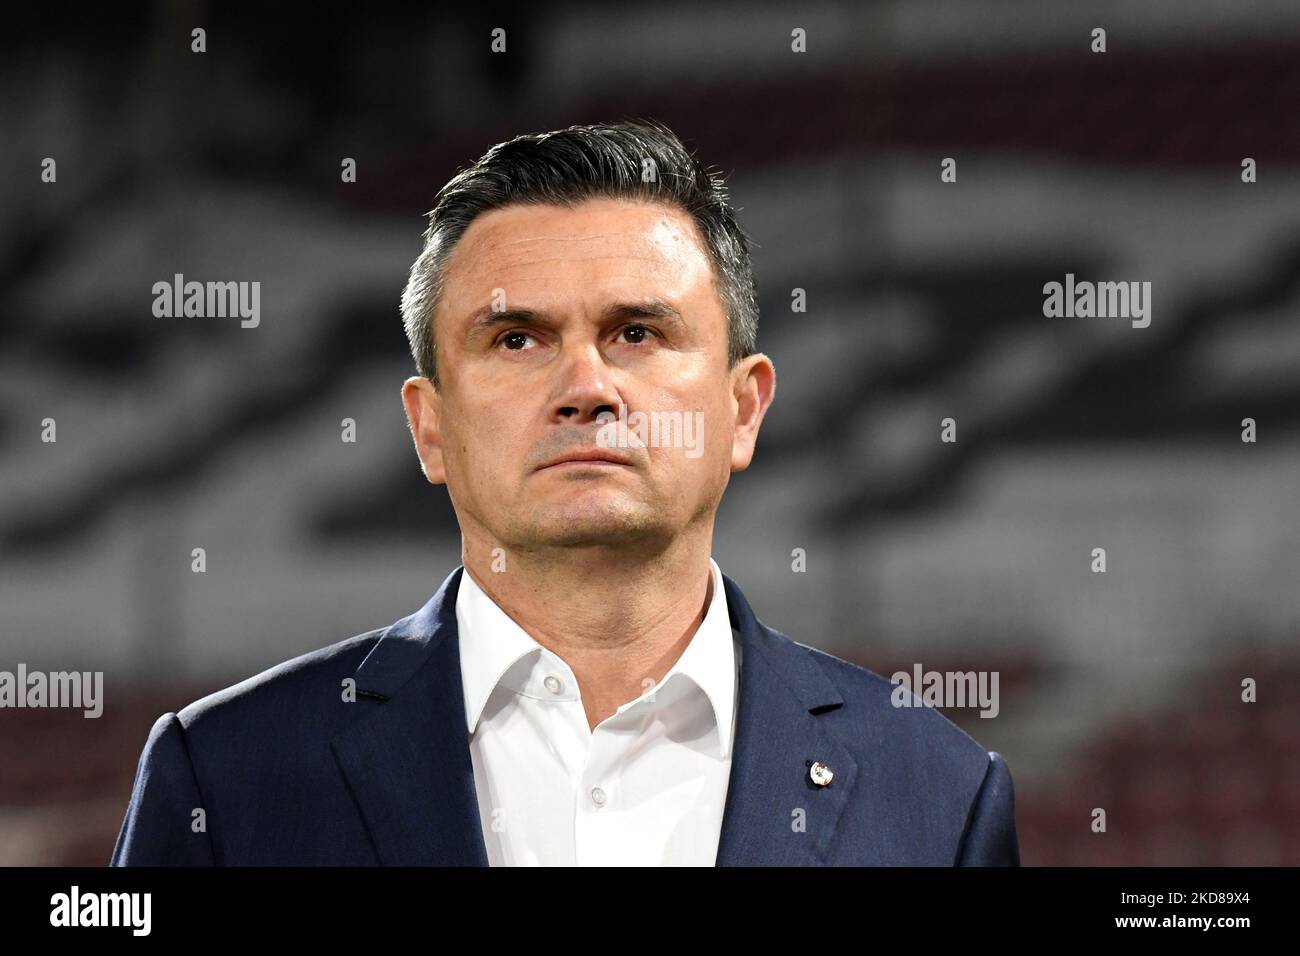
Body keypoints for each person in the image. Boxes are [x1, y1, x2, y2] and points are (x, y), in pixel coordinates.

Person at [111, 120, 1019, 866]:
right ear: (431, 428)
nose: (587, 386)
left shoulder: (938, 796)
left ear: (743, 411)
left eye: (636, 331)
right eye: (516, 339)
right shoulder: (226, 778)